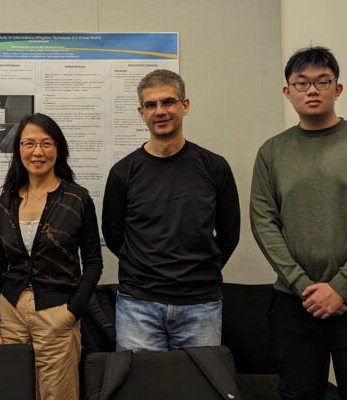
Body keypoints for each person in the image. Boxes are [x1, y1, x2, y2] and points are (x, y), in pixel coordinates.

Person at [102, 69, 240, 352]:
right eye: (151, 105)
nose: (160, 111)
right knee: (139, 388)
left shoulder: (214, 167)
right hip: (138, 305)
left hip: (200, 304)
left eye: (168, 102)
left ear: (184, 105)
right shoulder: (123, 173)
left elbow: (230, 233)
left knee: (198, 387)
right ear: (141, 112)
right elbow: (114, 235)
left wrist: (197, 272)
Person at [0, 113, 103, 400]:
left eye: (46, 144)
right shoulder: (6, 202)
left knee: (57, 395)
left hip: (57, 313)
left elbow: (94, 262)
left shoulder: (76, 199)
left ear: (58, 149)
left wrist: (73, 311)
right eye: (29, 144)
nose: (37, 152)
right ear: (19, 150)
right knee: (13, 390)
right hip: (10, 312)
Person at [250, 46, 347, 399]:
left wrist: (340, 286)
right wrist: (304, 285)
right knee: (297, 393)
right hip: (294, 301)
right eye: (301, 82)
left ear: (337, 89)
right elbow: (263, 222)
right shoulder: (272, 151)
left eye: (322, 81)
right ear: (287, 91)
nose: (312, 90)